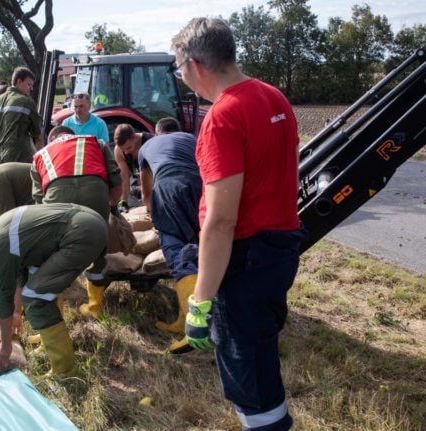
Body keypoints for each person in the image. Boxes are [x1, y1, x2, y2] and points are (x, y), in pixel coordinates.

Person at [172, 18, 305, 430]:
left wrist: (200, 300)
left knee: (246, 369)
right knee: (261, 352)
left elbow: (220, 221)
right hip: (280, 248)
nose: (183, 80)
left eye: (180, 71)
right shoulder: (272, 96)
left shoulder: (222, 116)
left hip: (245, 258)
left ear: (195, 65)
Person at [0, 203, 108, 375]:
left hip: (82, 234)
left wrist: (6, 347)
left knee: (35, 297)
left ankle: (65, 371)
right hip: (93, 218)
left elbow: (3, 299)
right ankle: (49, 339)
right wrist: (16, 313)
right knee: (39, 279)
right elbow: (20, 275)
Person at [31, 126, 122, 318]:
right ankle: (95, 308)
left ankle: (55, 316)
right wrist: (113, 208)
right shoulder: (95, 142)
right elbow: (115, 177)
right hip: (95, 194)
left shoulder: (40, 154)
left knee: (54, 256)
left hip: (57, 198)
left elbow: (39, 199)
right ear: (72, 135)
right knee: (97, 251)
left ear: (52, 138)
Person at [137, 117, 201, 354]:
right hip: (201, 187)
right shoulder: (192, 138)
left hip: (169, 188)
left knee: (175, 249)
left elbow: (146, 186)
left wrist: (151, 209)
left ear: (157, 132)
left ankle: (193, 328)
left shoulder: (147, 146)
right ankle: (186, 316)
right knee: (198, 247)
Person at [0, 67, 43, 164]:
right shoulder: (25, 101)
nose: (31, 88)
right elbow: (37, 135)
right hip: (20, 158)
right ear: (19, 81)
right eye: (29, 84)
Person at [113, 123, 153, 210]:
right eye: (123, 150)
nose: (126, 152)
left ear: (135, 137)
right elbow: (124, 178)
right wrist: (123, 201)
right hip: (137, 184)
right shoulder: (118, 151)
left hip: (154, 181)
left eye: (128, 148)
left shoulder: (150, 142)